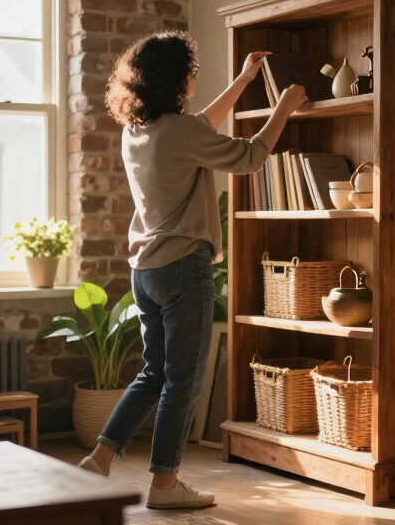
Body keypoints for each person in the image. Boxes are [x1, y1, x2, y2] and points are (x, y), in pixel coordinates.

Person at [78, 30, 308, 509]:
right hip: (184, 265)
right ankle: (164, 484)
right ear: (176, 79)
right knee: (183, 380)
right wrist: (282, 108)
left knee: (154, 373)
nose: (193, 78)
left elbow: (202, 124)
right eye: (190, 71)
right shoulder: (180, 132)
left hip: (146, 270)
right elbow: (248, 158)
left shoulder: (138, 131)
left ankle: (100, 458)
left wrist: (245, 79)